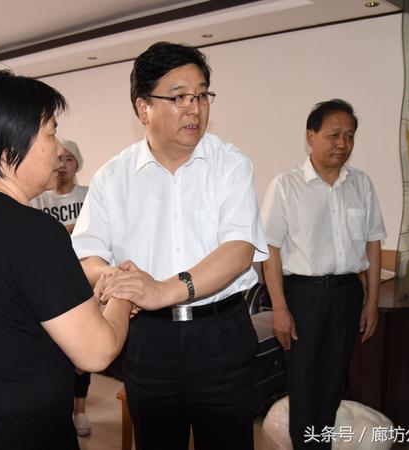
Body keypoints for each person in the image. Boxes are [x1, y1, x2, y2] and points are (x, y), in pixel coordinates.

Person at [72, 41, 268, 450]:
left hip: (220, 334)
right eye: (179, 97)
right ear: (143, 107)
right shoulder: (113, 177)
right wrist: (117, 278)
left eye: (202, 95)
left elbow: (238, 251)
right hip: (149, 341)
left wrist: (162, 289)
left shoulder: (230, 164)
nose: (194, 108)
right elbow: (86, 255)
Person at [0, 69, 132, 450]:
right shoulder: (34, 231)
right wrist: (123, 291)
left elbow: (18, 321)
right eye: (51, 134)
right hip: (26, 435)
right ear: (8, 146)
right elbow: (97, 351)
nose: (59, 150)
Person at [260, 99, 386, 449]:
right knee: (304, 384)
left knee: (333, 383)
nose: (343, 144)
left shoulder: (361, 184)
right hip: (304, 296)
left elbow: (374, 244)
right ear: (311, 136)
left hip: (347, 294)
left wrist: (371, 303)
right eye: (334, 135)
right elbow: (270, 250)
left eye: (350, 136)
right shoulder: (286, 186)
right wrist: (280, 309)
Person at [30, 139, 92, 436]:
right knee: (56, 350)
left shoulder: (89, 195)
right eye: (60, 158)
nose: (63, 165)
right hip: (51, 282)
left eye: (70, 159)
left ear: (77, 164)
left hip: (85, 279)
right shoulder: (38, 200)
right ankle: (58, 411)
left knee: (84, 349)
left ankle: (80, 410)